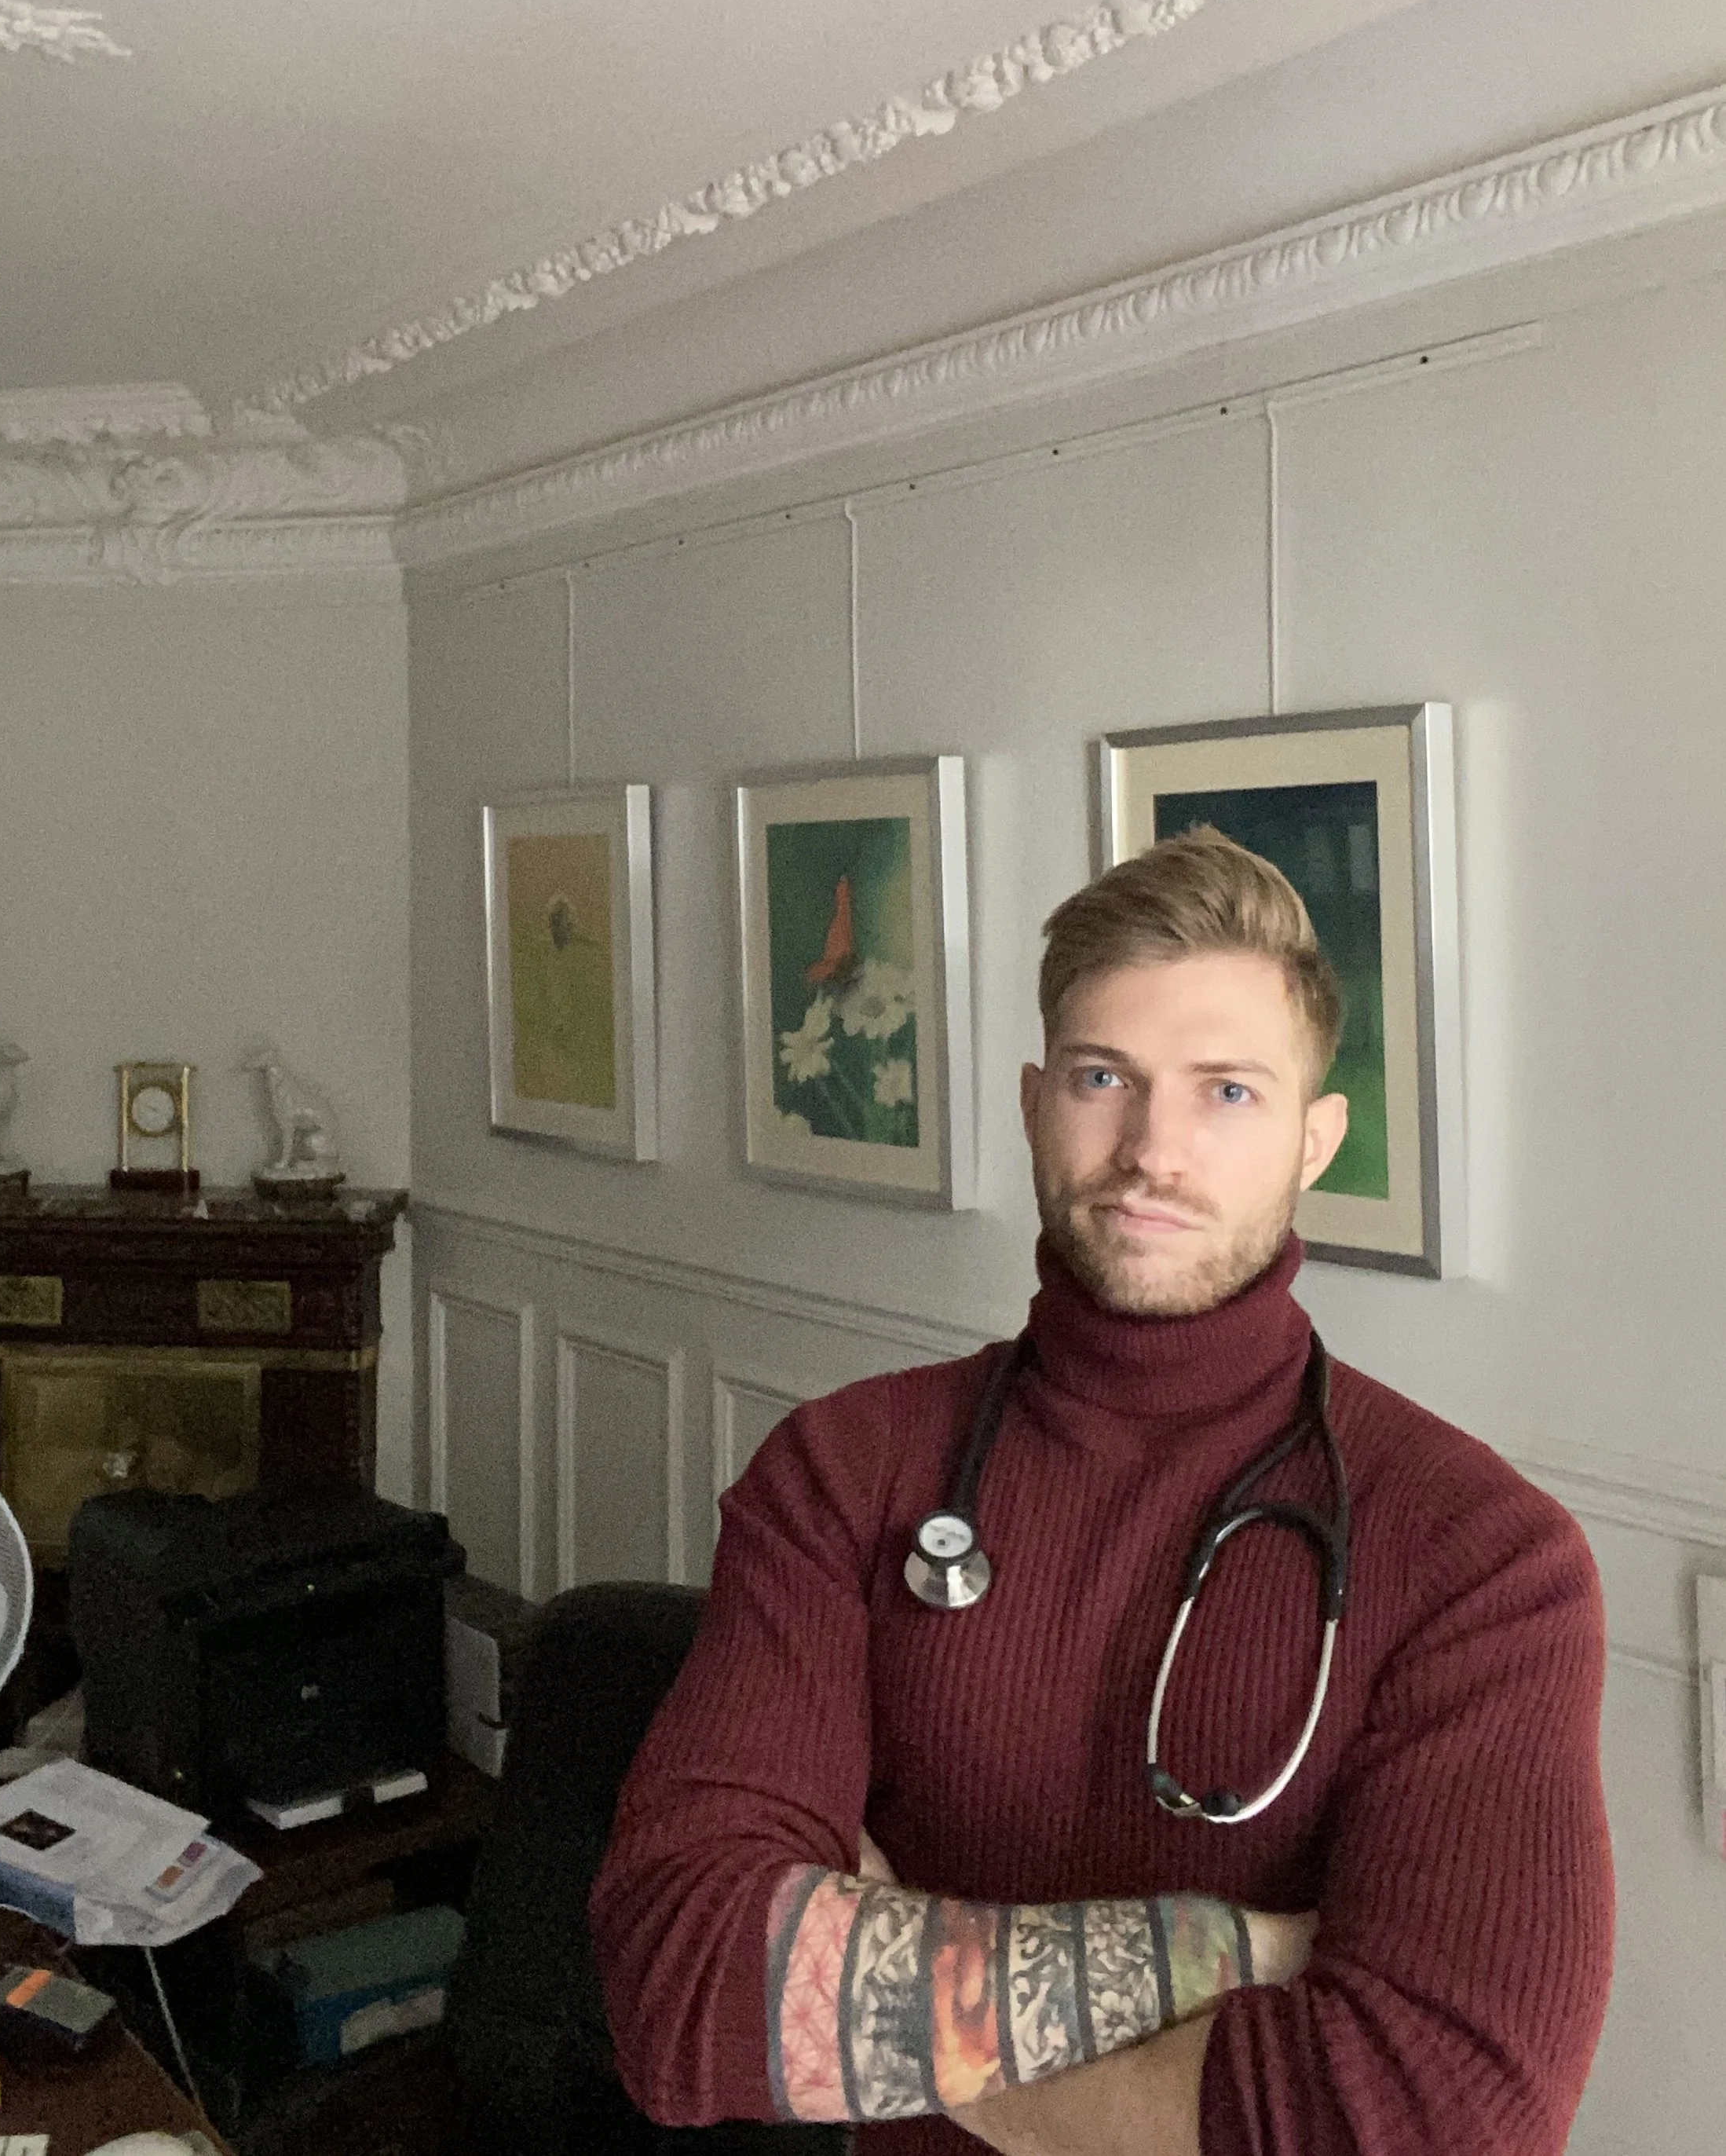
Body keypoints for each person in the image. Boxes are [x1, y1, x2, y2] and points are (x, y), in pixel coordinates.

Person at [591, 829, 1614, 2154]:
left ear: (1317, 1140)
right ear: (1033, 1103)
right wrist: (1239, 1955)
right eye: (1101, 1077)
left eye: (1227, 1093)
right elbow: (681, 1987)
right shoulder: (843, 1473)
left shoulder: (1485, 1560)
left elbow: (1432, 2116)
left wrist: (881, 1992)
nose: (1151, 1149)